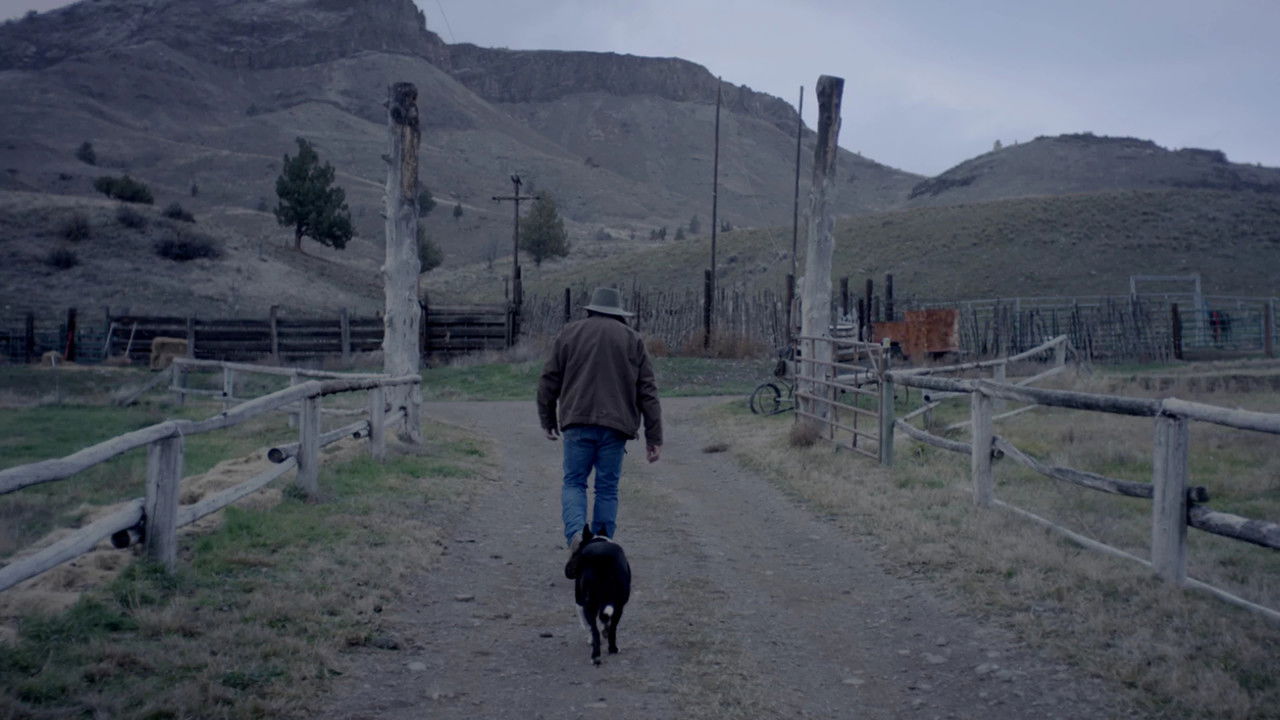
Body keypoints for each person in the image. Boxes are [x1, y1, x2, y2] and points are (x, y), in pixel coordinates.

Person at [537, 287, 663, 555]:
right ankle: (602, 543)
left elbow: (549, 379)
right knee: (606, 488)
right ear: (619, 313)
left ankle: (576, 534)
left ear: (591, 310)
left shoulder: (569, 333)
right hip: (615, 427)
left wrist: (547, 419)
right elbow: (647, 391)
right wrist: (654, 437)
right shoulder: (632, 339)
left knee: (574, 482)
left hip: (576, 421)